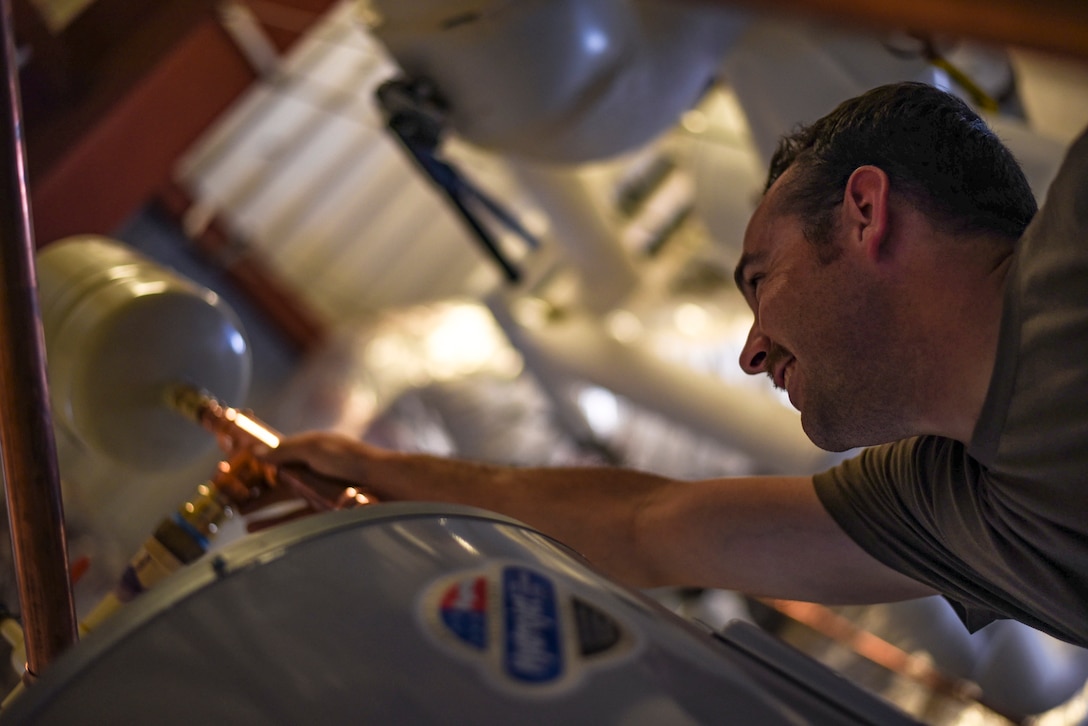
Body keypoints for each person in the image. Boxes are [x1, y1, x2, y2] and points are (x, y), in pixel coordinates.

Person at [259, 81, 1088, 647]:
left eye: (761, 280)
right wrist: (370, 471)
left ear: (865, 212)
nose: (752, 350)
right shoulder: (958, 515)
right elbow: (646, 528)